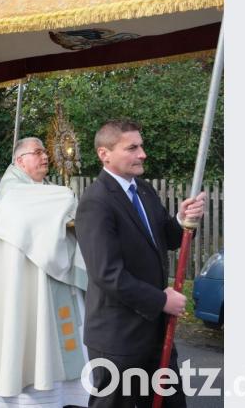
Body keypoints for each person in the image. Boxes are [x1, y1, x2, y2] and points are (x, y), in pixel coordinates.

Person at [76, 120, 205, 408]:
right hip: (118, 335)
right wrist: (160, 300)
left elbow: (167, 238)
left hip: (155, 330)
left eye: (141, 146)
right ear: (104, 154)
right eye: (132, 148)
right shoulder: (95, 202)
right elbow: (107, 274)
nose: (142, 153)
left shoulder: (143, 189)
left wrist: (184, 220)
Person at [0, 137, 90, 407]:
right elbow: (50, 204)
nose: (45, 157)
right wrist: (67, 197)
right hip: (23, 281)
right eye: (38, 152)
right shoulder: (13, 189)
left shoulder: (40, 188)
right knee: (23, 330)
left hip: (49, 279)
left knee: (55, 333)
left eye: (45, 152)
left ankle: (65, 392)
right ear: (20, 160)